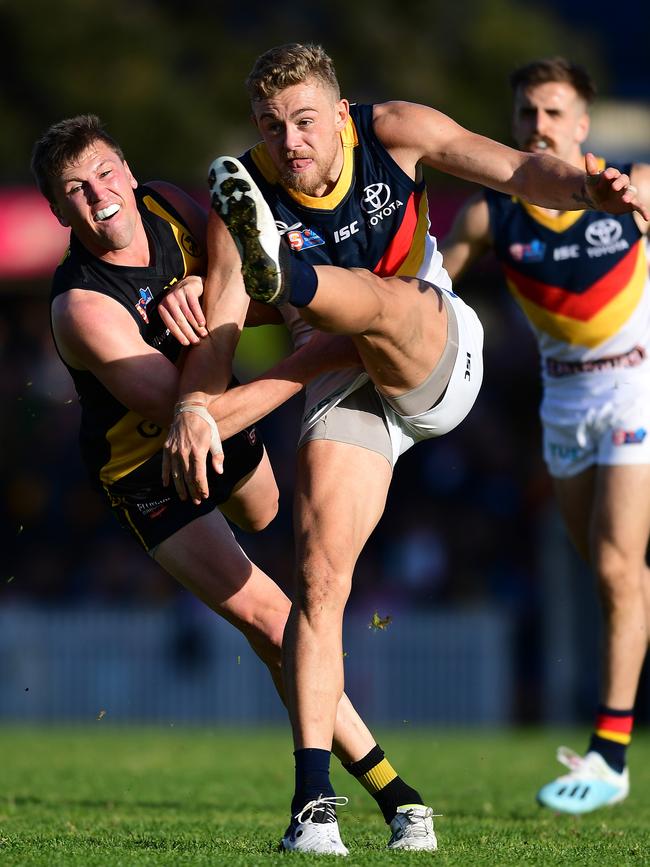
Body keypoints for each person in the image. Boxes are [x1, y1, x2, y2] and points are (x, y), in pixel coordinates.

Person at [164, 44, 647, 853]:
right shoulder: (243, 194)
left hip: (435, 348)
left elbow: (521, 174)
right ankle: (315, 805)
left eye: (306, 120)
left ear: (339, 108)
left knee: (383, 304)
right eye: (272, 126)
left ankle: (291, 281)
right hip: (341, 379)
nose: (290, 142)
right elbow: (213, 337)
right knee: (318, 578)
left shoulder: (393, 130)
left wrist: (586, 187)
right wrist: (189, 403)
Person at [31, 114, 443, 855]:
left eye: (103, 175)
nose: (100, 198)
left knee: (273, 522)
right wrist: (321, 354)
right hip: (149, 462)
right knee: (273, 619)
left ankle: (378, 788)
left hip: (222, 407)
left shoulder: (161, 201)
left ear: (126, 169)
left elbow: (233, 270)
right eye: (75, 192)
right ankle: (394, 794)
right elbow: (186, 413)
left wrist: (201, 283)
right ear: (60, 213)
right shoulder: (82, 307)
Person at [439, 57, 650, 814]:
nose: (540, 126)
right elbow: (427, 296)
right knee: (603, 571)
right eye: (528, 113)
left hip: (636, 383)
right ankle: (609, 738)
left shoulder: (632, 185)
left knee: (623, 569)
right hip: (563, 406)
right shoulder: (490, 214)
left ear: (583, 125)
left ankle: (611, 752)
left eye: (555, 113)